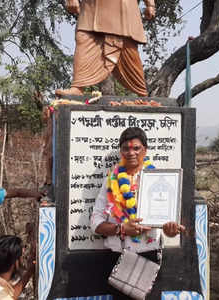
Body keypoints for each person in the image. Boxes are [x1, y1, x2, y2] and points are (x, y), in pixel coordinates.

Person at [90, 127, 185, 298]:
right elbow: (95, 222)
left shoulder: (158, 180)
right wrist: (121, 229)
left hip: (149, 256)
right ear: (121, 151)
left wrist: (170, 231)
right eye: (126, 148)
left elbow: (167, 223)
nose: (131, 152)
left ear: (145, 150)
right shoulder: (111, 181)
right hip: (118, 258)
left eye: (136, 148)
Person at [55, 0, 155, 97]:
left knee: (128, 50)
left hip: (122, 10)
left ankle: (142, 93)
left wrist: (150, 4)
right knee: (83, 37)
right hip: (91, 7)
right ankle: (78, 86)